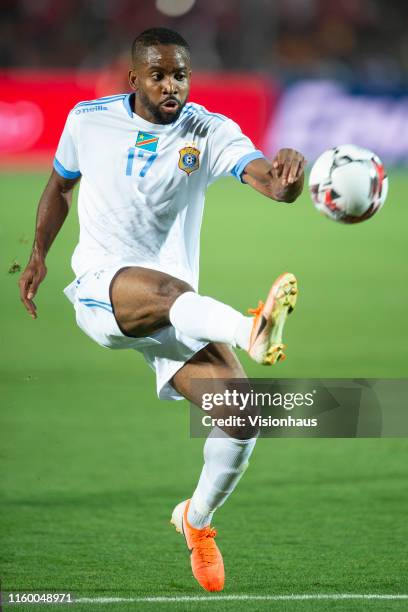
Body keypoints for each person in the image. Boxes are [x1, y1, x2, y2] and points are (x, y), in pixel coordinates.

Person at [19, 27, 305, 592]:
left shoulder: (209, 129)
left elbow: (270, 184)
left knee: (243, 414)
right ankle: (253, 328)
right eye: (159, 74)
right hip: (105, 292)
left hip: (176, 313)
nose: (171, 85)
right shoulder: (88, 119)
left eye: (180, 74)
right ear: (134, 77)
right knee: (169, 293)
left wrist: (290, 178)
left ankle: (196, 522)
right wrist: (37, 257)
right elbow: (59, 186)